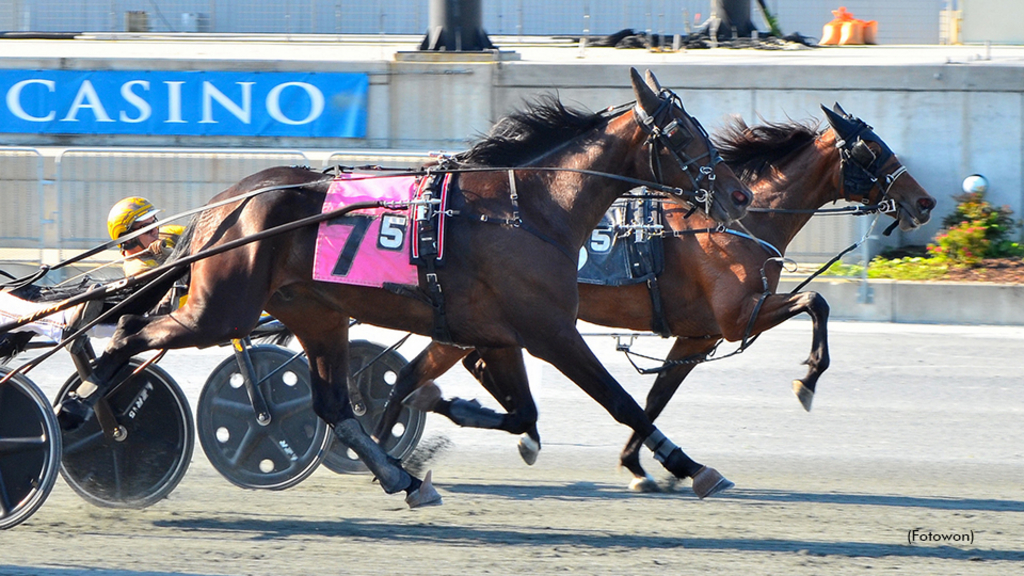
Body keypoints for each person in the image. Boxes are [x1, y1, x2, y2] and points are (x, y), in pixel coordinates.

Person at [0, 196, 182, 347]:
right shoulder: (137, 267)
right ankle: (64, 319)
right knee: (27, 296)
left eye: (154, 223)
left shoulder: (164, 238)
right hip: (129, 312)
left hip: (141, 313)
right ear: (127, 239)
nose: (155, 231)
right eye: (146, 228)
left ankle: (66, 319)